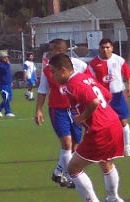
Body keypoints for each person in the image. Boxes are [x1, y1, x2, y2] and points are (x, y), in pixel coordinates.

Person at [49, 53, 126, 202]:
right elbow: (106, 95)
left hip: (100, 129)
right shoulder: (85, 78)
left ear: (63, 70)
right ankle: (113, 199)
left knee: (73, 168)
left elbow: (94, 101)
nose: (52, 76)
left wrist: (82, 118)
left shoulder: (73, 84)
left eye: (53, 72)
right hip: (113, 123)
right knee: (106, 162)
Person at [35, 38, 88, 188]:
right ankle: (72, 176)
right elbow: (42, 90)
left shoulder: (80, 65)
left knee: (75, 145)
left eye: (52, 49)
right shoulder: (48, 69)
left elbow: (88, 82)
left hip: (75, 109)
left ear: (60, 51)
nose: (49, 52)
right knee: (66, 143)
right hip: (57, 109)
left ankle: (59, 171)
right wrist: (38, 109)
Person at [88, 38, 130, 157]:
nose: (105, 50)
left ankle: (127, 147)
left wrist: (129, 87)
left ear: (112, 48)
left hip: (118, 95)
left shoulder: (118, 60)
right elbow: (89, 80)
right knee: (101, 124)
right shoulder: (93, 64)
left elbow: (128, 74)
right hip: (102, 98)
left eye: (107, 47)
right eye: (103, 47)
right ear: (99, 48)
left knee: (123, 121)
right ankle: (103, 148)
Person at [0, 51, 15, 117]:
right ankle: (8, 111)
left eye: (6, 57)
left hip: (8, 83)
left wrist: (10, 82)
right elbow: (5, 70)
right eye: (4, 57)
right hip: (3, 84)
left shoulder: (6, 64)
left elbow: (8, 74)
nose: (6, 58)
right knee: (6, 97)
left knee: (9, 97)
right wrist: (7, 64)